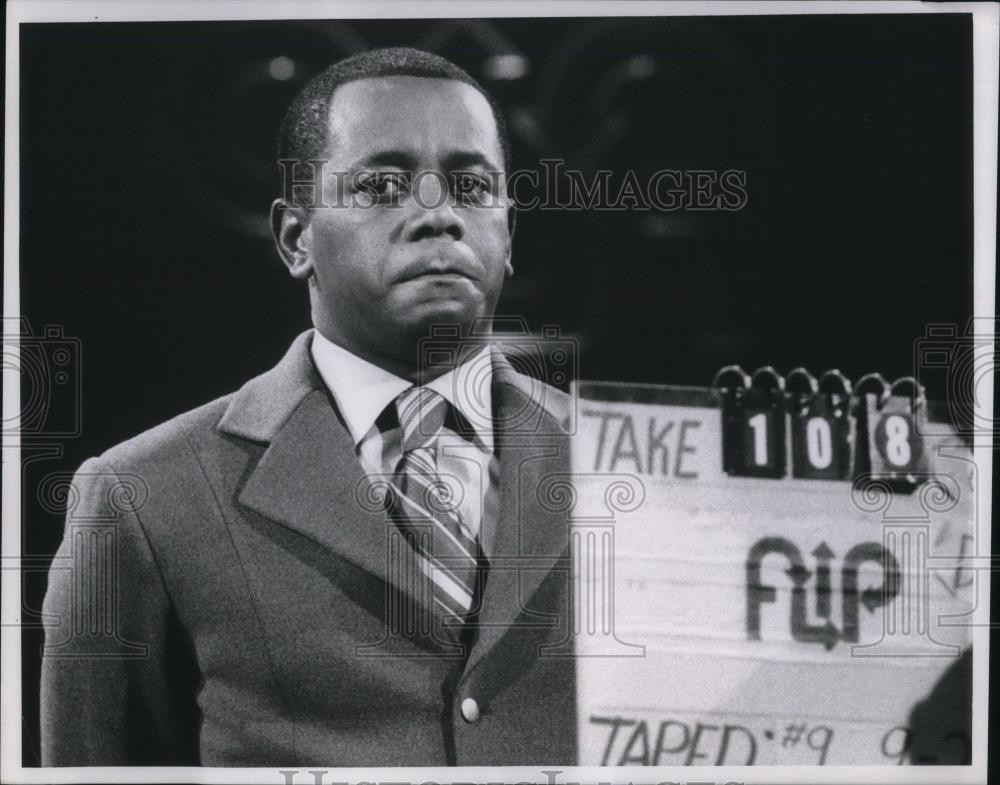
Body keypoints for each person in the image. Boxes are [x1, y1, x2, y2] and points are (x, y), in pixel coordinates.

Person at [41, 47, 576, 767]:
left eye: (472, 185)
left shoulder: (631, 461)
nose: (439, 213)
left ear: (509, 233)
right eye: (383, 185)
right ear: (297, 238)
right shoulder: (140, 496)